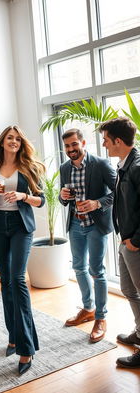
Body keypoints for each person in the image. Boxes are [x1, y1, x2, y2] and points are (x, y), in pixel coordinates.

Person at [0, 125, 45, 375]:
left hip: (20, 226)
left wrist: (22, 196)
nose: (14, 141)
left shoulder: (29, 167)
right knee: (5, 281)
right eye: (10, 138)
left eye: (18, 138)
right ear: (2, 141)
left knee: (17, 280)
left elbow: (41, 200)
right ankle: (13, 337)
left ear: (21, 143)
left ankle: (26, 347)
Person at [59, 128, 116, 342]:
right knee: (78, 267)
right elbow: (64, 198)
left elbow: (117, 191)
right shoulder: (65, 168)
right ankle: (88, 308)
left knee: (96, 270)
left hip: (96, 224)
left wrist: (97, 203)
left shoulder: (100, 164)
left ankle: (101, 318)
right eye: (67, 146)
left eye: (74, 144)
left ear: (83, 143)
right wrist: (62, 196)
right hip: (75, 223)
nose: (71, 149)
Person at [100, 117, 140, 368]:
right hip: (125, 241)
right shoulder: (123, 164)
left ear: (118, 141)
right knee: (128, 289)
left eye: (106, 140)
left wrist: (136, 240)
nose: (104, 145)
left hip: (135, 243)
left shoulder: (137, 167)